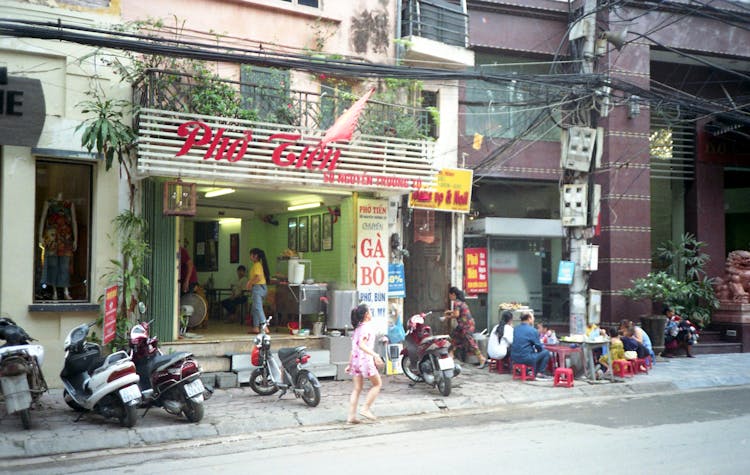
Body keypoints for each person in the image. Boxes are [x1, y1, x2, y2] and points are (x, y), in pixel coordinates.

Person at [346, 304, 383, 424]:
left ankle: (351, 416)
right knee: (377, 384)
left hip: (356, 361)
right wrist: (375, 355)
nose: (371, 313)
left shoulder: (357, 328)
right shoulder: (367, 328)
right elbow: (361, 345)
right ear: (366, 315)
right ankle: (365, 409)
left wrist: (350, 364)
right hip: (365, 361)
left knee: (357, 388)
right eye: (370, 311)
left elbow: (353, 349)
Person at [38, 193, 77, 300]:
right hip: (52, 237)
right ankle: (54, 292)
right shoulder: (48, 202)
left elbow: (74, 221)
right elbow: (43, 218)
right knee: (53, 265)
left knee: (65, 265)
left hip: (66, 237)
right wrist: (40, 235)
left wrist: (75, 239)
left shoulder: (69, 204)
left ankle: (66, 290)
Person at [444, 286, 487, 368]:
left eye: (450, 295)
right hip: (466, 325)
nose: (449, 297)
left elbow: (456, 314)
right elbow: (458, 312)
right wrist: (450, 312)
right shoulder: (461, 302)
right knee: (453, 339)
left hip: (465, 326)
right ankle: (451, 356)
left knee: (471, 343)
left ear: (453, 294)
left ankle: (481, 358)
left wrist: (447, 317)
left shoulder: (456, 303)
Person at [510, 312, 552, 379]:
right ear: (529, 318)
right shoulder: (533, 330)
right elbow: (539, 347)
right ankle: (540, 373)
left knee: (534, 354)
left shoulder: (516, 329)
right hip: (525, 358)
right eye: (533, 318)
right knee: (546, 352)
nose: (533, 319)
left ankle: (532, 372)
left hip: (514, 357)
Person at [246, 248, 270, 334]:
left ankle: (264, 326)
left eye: (251, 255)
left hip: (258, 288)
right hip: (261, 288)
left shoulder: (257, 265)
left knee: (258, 308)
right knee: (255, 308)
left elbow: (258, 277)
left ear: (255, 256)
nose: (250, 257)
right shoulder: (258, 265)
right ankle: (255, 327)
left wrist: (250, 283)